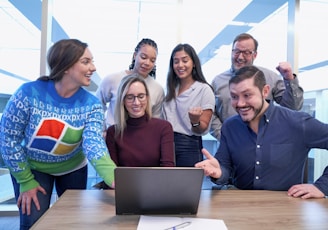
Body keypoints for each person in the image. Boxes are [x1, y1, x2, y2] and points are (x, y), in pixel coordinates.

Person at [0, 39, 117, 229]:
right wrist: (25, 180)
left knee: (71, 223)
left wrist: (114, 178)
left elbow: (94, 143)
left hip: (73, 168)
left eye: (92, 61)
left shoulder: (92, 105)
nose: (93, 68)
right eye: (86, 62)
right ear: (66, 66)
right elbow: (8, 139)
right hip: (33, 169)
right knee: (33, 222)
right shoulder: (27, 94)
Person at [195, 65, 328, 199]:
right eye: (234, 97)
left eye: (247, 95)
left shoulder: (297, 123)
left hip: (286, 208)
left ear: (265, 91)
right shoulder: (230, 127)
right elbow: (224, 167)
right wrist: (218, 172)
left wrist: (322, 186)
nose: (240, 103)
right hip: (241, 205)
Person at [210, 33, 304, 140]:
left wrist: (289, 78)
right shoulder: (217, 82)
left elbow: (293, 106)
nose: (240, 57)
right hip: (230, 145)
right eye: (237, 52)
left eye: (246, 52)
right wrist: (223, 135)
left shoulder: (270, 77)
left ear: (255, 55)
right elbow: (210, 113)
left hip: (265, 144)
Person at [162, 43, 215, 167]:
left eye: (185, 60)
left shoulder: (204, 89)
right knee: (164, 185)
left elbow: (202, 128)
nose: (180, 65)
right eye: (176, 61)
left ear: (194, 63)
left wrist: (195, 121)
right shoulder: (169, 89)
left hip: (188, 146)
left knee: (186, 185)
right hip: (166, 144)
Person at [106, 74, 175, 167]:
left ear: (147, 97)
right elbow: (113, 173)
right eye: (130, 97)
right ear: (122, 100)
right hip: (125, 181)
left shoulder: (163, 128)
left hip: (157, 181)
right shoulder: (113, 132)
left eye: (141, 96)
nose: (136, 103)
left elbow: (168, 168)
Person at [96, 38, 165, 128]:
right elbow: (96, 106)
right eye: (143, 57)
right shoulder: (112, 79)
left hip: (140, 138)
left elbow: (156, 121)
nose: (147, 63)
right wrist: (102, 130)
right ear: (135, 55)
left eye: (152, 60)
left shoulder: (158, 89)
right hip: (112, 136)